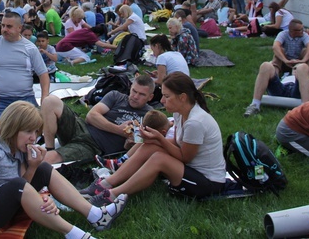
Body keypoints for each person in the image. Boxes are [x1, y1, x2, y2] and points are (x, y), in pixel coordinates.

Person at [0, 102, 127, 238]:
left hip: (5, 198)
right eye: (28, 132)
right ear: (13, 128)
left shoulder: (12, 144)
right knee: (19, 183)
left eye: (36, 132)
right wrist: (42, 197)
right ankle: (76, 234)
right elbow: (21, 187)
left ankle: (95, 214)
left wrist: (35, 168)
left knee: (43, 167)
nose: (33, 138)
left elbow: (24, 184)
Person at [80, 73, 225, 205]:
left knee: (158, 158)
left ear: (182, 97)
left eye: (167, 97)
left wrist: (159, 139)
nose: (162, 101)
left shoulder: (195, 122)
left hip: (207, 182)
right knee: (150, 145)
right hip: (190, 169)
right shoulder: (180, 113)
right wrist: (152, 139)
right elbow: (175, 142)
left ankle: (112, 195)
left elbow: (185, 157)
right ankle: (106, 183)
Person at [40, 75, 155, 164]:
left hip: (92, 146)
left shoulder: (150, 116)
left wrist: (129, 143)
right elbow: (91, 116)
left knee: (49, 159)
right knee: (50, 101)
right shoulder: (116, 96)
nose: (135, 96)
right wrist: (119, 130)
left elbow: (138, 144)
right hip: (81, 127)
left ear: (150, 97)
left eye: (141, 94)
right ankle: (49, 147)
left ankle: (46, 156)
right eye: (134, 91)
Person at [0, 12, 49, 131]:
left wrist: (45, 95)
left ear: (19, 28)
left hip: (25, 98)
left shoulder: (30, 48)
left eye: (9, 26)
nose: (4, 29)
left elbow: (43, 74)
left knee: (35, 131)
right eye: (3, 25)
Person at [244, 19, 309, 116]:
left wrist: (301, 62)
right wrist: (286, 61)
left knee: (303, 63)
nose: (304, 31)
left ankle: (305, 109)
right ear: (292, 31)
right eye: (300, 30)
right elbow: (275, 46)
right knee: (266, 65)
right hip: (282, 83)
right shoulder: (284, 34)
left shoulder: (304, 36)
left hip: (299, 86)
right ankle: (254, 105)